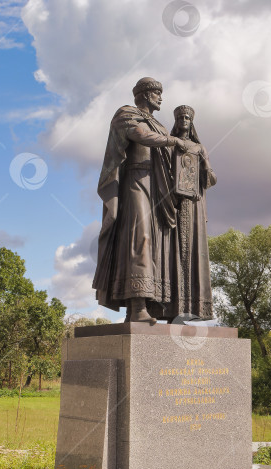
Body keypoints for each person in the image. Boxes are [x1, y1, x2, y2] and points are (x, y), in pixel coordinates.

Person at [92, 77, 192, 323]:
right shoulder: (126, 113)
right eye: (158, 93)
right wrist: (174, 140)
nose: (161, 98)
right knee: (140, 238)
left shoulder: (158, 124)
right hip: (136, 181)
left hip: (159, 188)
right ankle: (136, 307)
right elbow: (139, 135)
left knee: (158, 246)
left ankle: (151, 308)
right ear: (146, 94)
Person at [169, 105, 217, 320]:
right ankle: (170, 307)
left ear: (192, 122)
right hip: (173, 204)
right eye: (181, 117)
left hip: (195, 205)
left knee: (194, 254)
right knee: (172, 254)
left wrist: (205, 165)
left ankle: (193, 309)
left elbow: (212, 180)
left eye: (188, 117)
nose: (184, 120)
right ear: (176, 121)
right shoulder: (170, 145)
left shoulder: (199, 148)